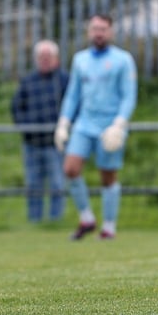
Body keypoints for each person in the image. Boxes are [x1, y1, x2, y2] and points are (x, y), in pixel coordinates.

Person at [54, 14, 137, 240]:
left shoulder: (123, 60)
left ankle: (109, 227)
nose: (98, 33)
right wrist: (63, 123)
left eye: (103, 29)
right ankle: (87, 219)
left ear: (111, 32)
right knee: (70, 169)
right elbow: (73, 95)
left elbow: (129, 96)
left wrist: (120, 124)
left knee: (107, 176)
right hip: (84, 123)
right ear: (89, 32)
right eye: (94, 29)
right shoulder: (80, 59)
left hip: (110, 126)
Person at [11, 40, 69, 223]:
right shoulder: (28, 81)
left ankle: (55, 221)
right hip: (32, 143)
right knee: (33, 184)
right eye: (41, 57)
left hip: (56, 143)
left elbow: (74, 105)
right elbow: (16, 107)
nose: (44, 60)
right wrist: (26, 126)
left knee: (57, 184)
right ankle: (34, 221)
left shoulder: (64, 80)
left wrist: (64, 128)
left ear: (56, 59)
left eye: (48, 57)